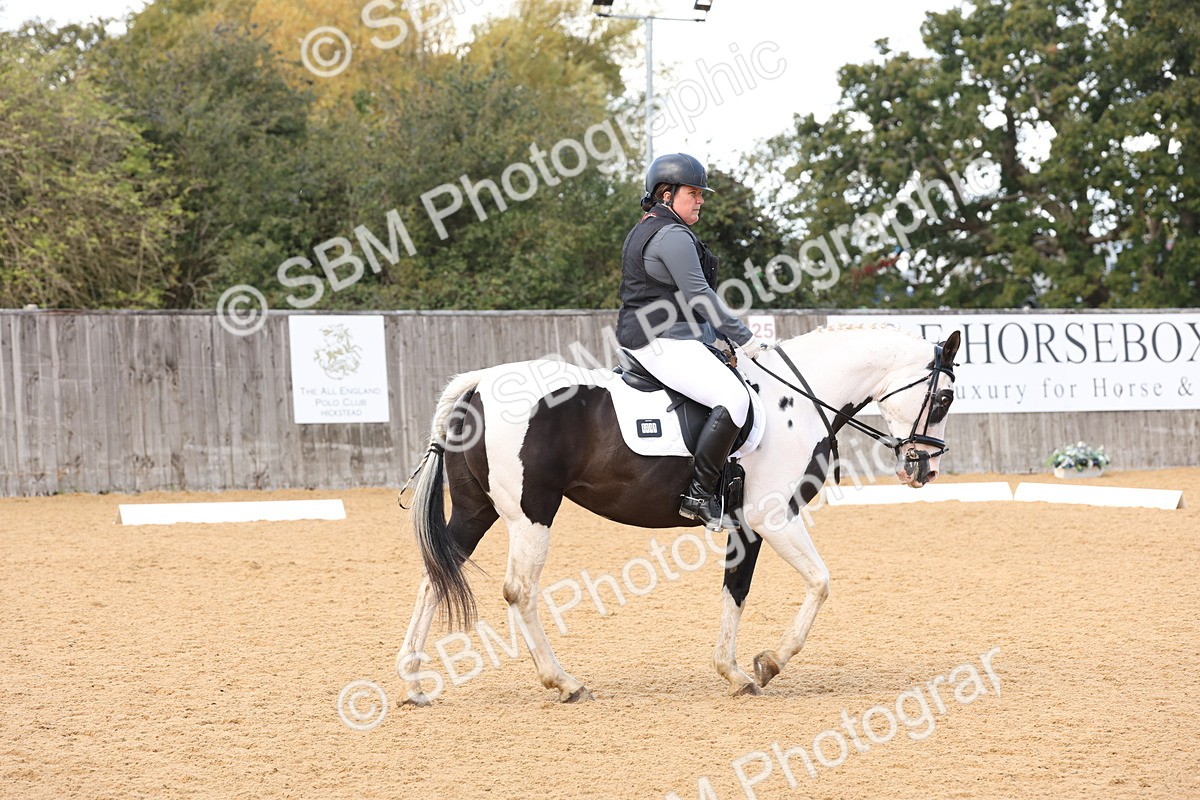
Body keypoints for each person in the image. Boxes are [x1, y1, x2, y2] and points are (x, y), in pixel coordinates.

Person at [615, 153, 770, 530]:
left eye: (701, 193)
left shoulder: (649, 228)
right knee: (735, 399)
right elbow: (700, 295)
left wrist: (718, 339)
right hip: (660, 340)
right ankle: (698, 494)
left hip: (658, 334)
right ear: (666, 194)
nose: (700, 200)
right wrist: (745, 339)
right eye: (693, 193)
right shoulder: (671, 235)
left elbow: (682, 304)